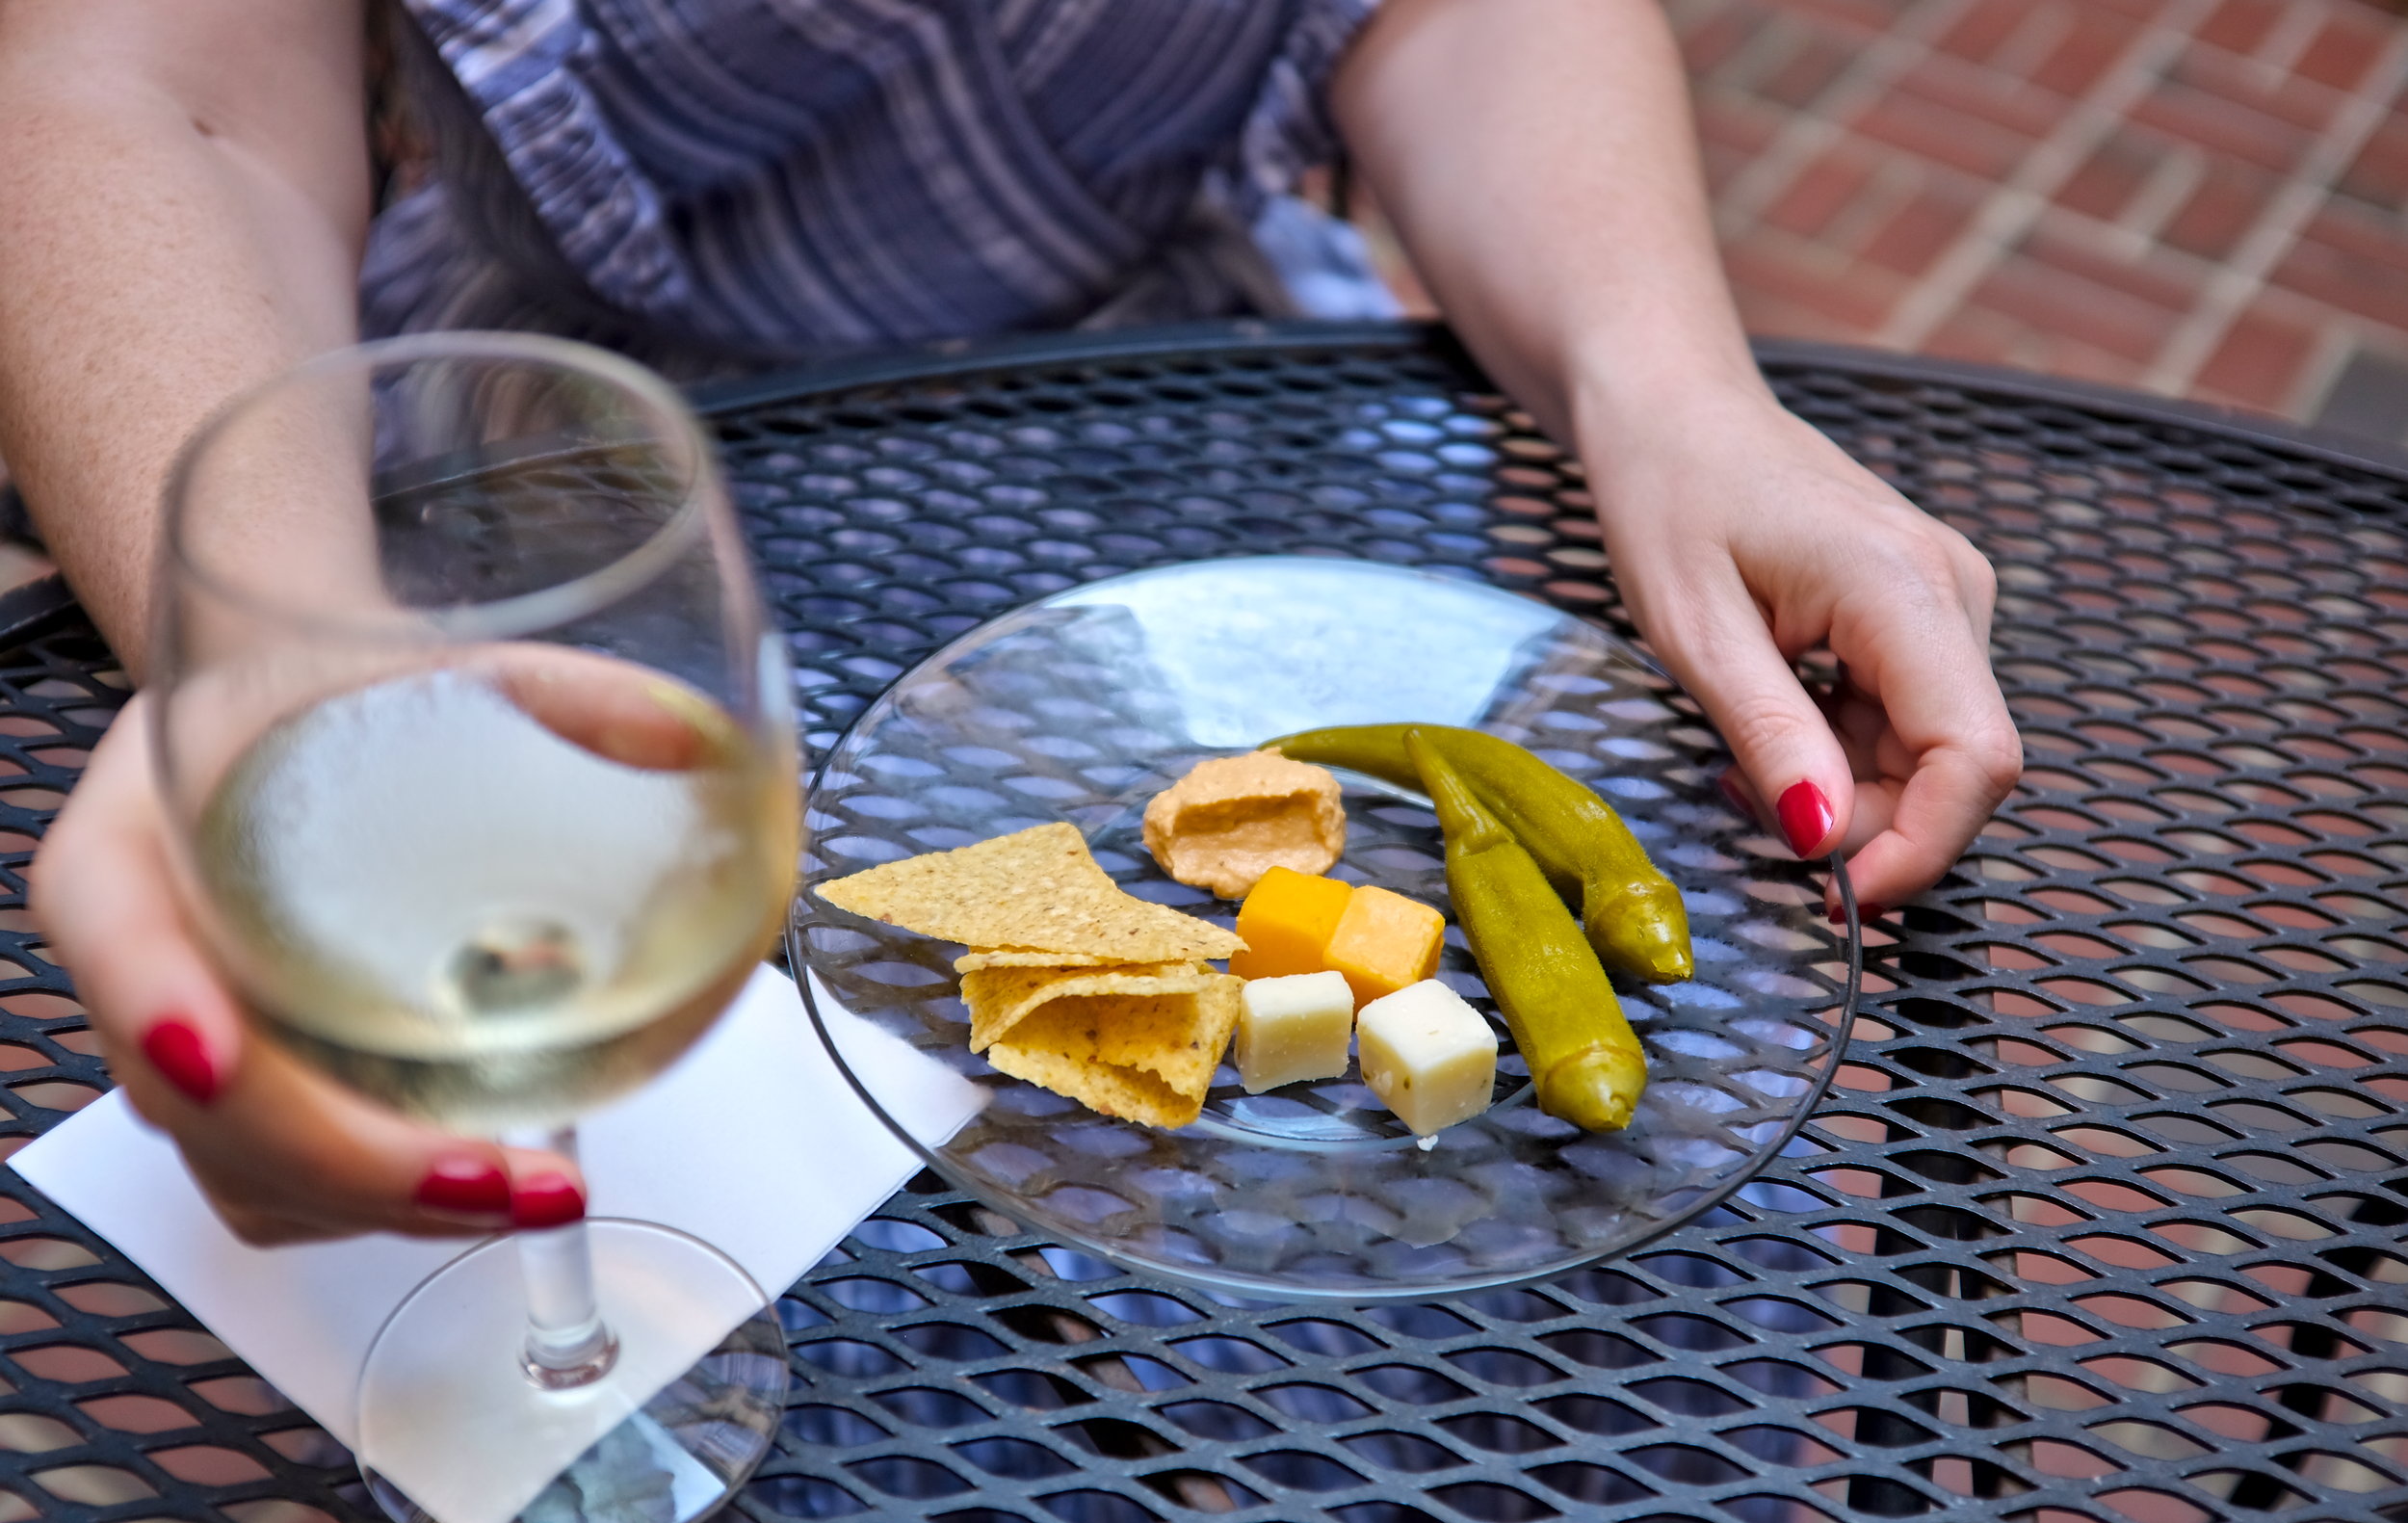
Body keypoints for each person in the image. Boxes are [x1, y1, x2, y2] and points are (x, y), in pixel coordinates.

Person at [0, 0, 2019, 1245]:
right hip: (569, 558)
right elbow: (145, 80)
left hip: (1222, 425)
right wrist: (284, 668)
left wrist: (1667, 386)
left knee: (1656, 1277)